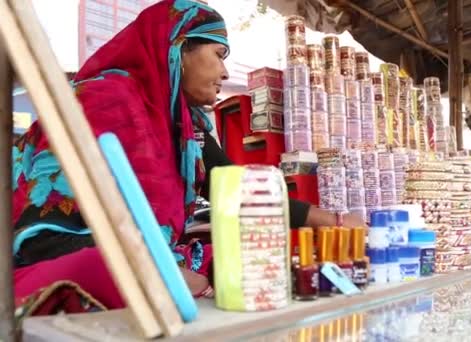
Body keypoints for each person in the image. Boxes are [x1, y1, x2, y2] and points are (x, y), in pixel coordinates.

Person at [11, 0, 366, 316]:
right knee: (117, 274)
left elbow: (237, 188)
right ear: (177, 49)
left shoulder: (185, 126)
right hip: (67, 254)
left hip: (150, 254)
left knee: (258, 265)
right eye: (218, 55)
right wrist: (152, 268)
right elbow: (41, 236)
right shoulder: (104, 99)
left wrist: (331, 220)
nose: (225, 74)